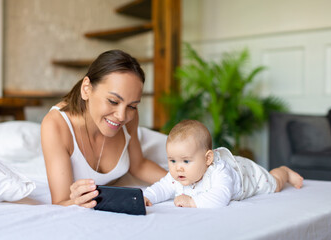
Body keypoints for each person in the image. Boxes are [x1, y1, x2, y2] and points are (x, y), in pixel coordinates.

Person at [41, 50, 167, 207]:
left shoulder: (130, 117)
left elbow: (138, 165)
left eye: (132, 106)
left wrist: (180, 183)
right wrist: (77, 201)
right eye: (113, 101)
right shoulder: (56, 125)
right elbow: (60, 202)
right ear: (86, 89)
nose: (122, 116)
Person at [143, 119, 303, 208]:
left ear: (207, 159)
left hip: (247, 174)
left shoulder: (219, 171)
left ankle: (284, 172)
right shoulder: (178, 174)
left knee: (274, 184)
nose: (178, 167)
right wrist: (147, 197)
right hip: (236, 169)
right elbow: (162, 187)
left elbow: (221, 197)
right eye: (172, 160)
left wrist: (192, 201)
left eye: (186, 160)